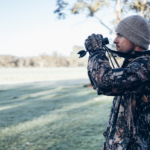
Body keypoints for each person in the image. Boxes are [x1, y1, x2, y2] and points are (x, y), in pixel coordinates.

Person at [85, 15, 150, 150]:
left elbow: (105, 83)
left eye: (120, 36)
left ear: (135, 39)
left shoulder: (145, 65)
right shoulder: (133, 63)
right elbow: (98, 83)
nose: (114, 40)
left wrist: (96, 52)